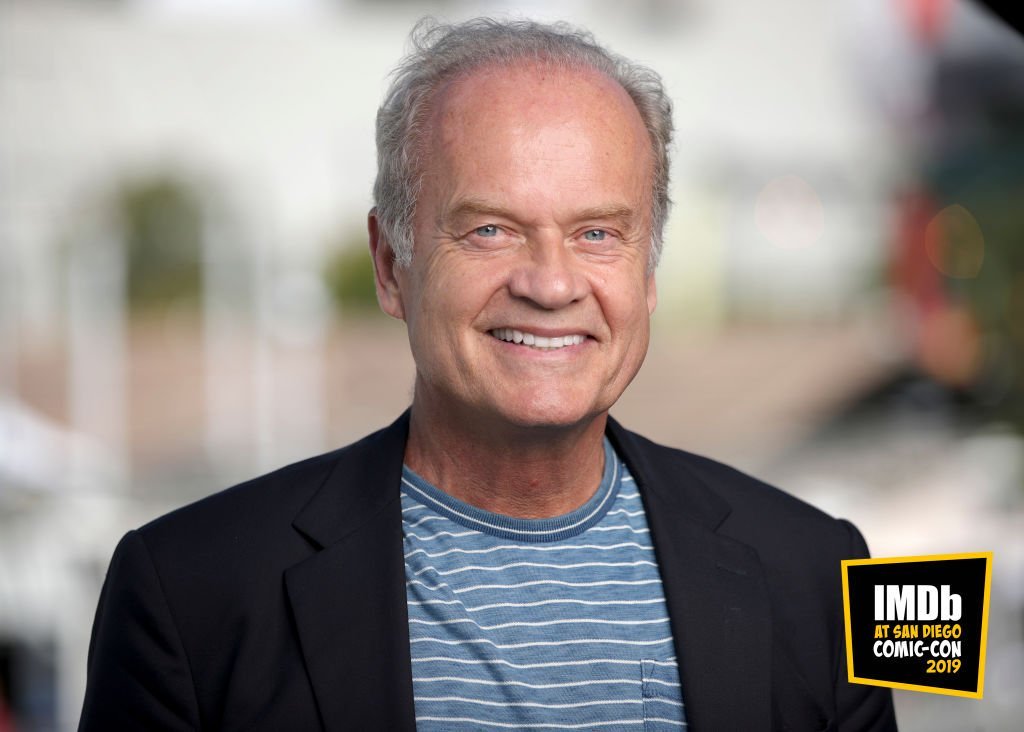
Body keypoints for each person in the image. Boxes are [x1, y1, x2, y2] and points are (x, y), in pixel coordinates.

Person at [79, 17, 898, 731]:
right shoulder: (189, 593)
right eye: (491, 230)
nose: (549, 283)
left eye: (599, 235)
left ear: (649, 274)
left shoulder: (822, 575)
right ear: (391, 264)